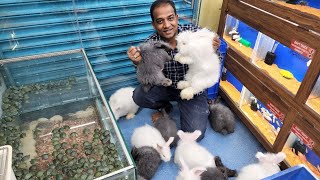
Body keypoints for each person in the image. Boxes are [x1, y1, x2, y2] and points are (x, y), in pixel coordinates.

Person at [127, 0, 221, 140]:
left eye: (170, 18)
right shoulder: (150, 45)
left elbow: (212, 64)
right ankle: (166, 107)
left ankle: (198, 106)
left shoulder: (194, 33)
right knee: (139, 96)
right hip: (167, 86)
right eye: (160, 21)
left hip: (192, 87)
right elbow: (148, 75)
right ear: (153, 25)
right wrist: (138, 63)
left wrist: (212, 50)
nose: (166, 25)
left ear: (176, 18)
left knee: (195, 133)